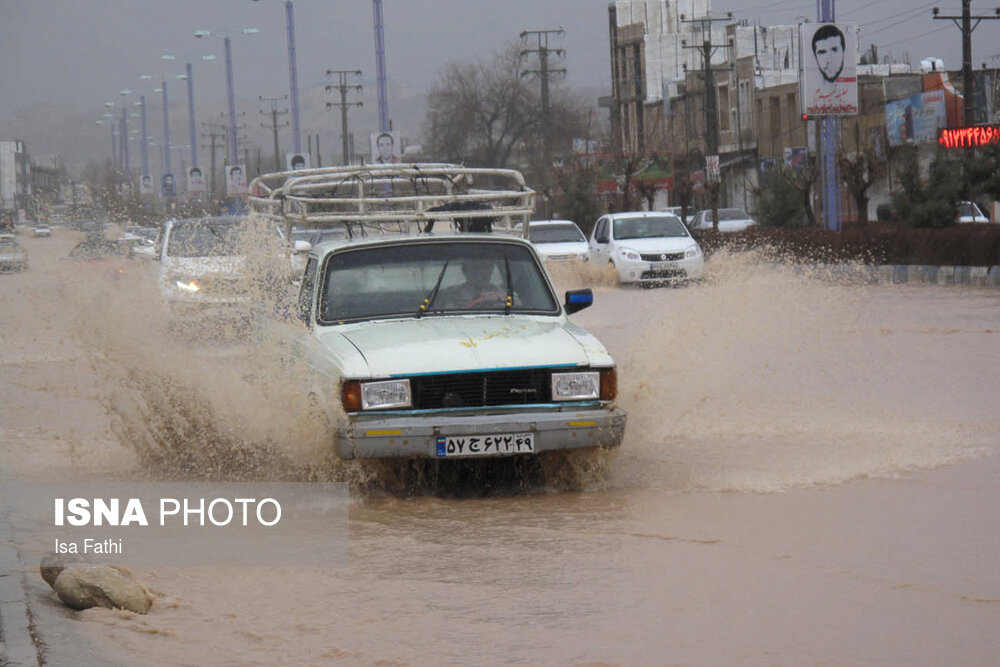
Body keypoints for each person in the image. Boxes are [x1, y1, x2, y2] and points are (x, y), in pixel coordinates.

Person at [441, 259, 507, 309]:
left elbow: (514, 308)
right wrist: (481, 301)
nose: (481, 272)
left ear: (492, 270)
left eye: (486, 267)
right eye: (476, 267)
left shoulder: (503, 292)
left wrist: (501, 300)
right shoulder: (452, 293)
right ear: (464, 270)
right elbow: (449, 317)